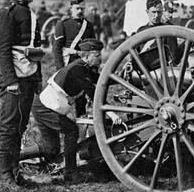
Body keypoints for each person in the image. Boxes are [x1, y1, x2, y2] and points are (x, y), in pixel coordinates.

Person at [19, 38, 121, 183]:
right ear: (85, 56)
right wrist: (110, 112)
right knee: (71, 131)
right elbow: (92, 92)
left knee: (51, 149)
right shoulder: (77, 69)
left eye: (100, 54)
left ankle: (13, 156)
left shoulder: (83, 67)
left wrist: (122, 77)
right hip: (45, 108)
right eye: (96, 55)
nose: (100, 58)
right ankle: (70, 174)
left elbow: (100, 79)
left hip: (45, 106)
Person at [0, 0, 43, 185]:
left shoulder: (31, 14)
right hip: (14, 81)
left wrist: (38, 79)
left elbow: (36, 50)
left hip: (29, 79)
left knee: (21, 126)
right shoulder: (8, 13)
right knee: (9, 126)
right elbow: (2, 51)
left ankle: (15, 171)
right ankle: (6, 174)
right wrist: (11, 82)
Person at [53, 0, 96, 70]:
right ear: (71, 8)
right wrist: (60, 69)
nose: (80, 11)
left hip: (84, 63)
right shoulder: (62, 24)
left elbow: (92, 48)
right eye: (77, 8)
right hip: (68, 63)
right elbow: (57, 49)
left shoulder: (89, 26)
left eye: (82, 9)